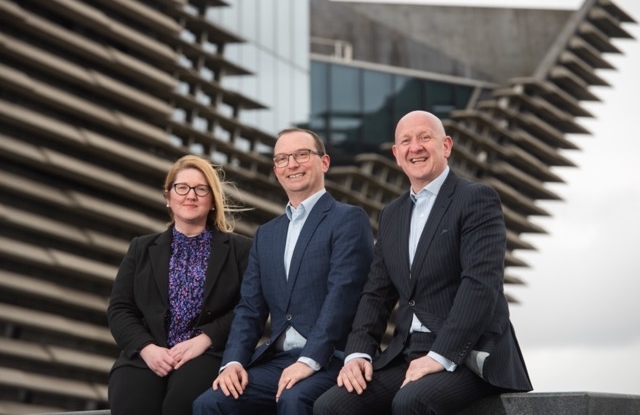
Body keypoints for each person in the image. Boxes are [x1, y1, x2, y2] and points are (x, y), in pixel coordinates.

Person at [314, 110, 533, 415]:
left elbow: (480, 286)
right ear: (396, 154)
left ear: (446, 145)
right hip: (407, 352)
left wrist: (440, 355)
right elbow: (376, 293)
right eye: (405, 141)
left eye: (424, 137)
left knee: (411, 402)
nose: (414, 147)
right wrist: (358, 354)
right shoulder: (392, 214)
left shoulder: (476, 199)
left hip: (469, 354)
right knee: (331, 406)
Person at [192, 128, 374, 415]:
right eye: (282, 158)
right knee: (210, 404)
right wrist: (233, 362)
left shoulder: (348, 219)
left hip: (331, 358)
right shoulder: (267, 234)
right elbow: (250, 308)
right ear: (276, 170)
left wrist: (309, 360)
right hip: (278, 360)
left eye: (302, 154)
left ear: (324, 162)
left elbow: (343, 297)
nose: (292, 164)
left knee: (294, 399)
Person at [107, 154, 252, 415]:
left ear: (212, 201)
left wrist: (207, 338)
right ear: (168, 197)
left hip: (206, 354)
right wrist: (147, 348)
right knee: (133, 405)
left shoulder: (240, 250)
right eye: (182, 188)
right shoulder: (141, 248)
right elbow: (120, 309)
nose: (190, 195)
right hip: (146, 353)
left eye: (200, 189)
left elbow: (250, 307)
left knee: (181, 406)